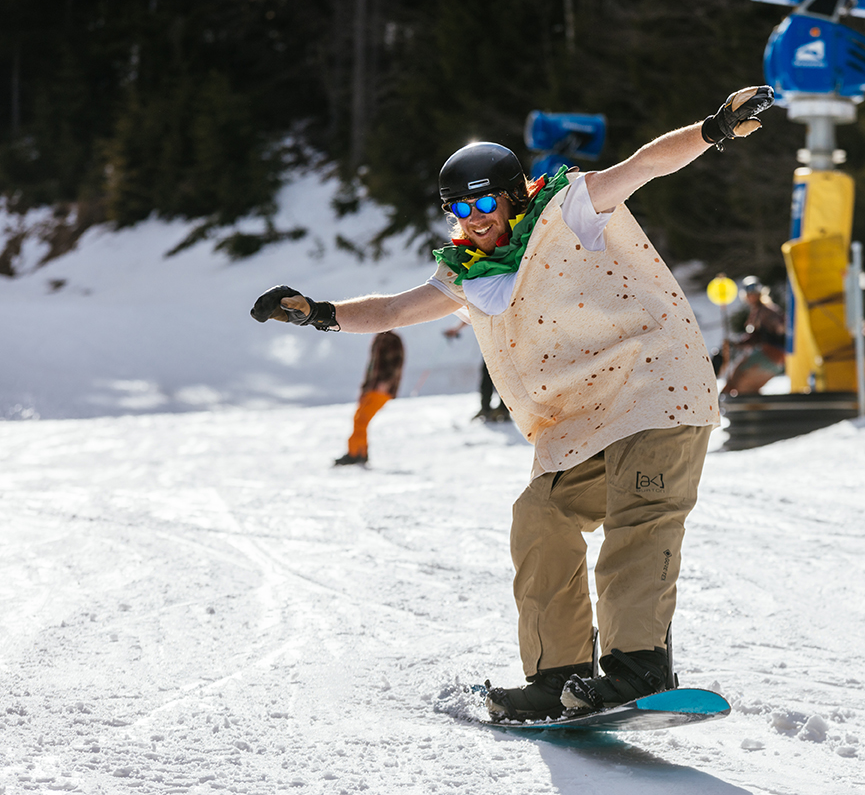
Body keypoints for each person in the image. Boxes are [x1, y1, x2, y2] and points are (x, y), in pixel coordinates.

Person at [250, 85, 774, 721]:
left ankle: (639, 667)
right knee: (540, 515)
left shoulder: (570, 209)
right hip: (581, 420)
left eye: (482, 200)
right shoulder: (469, 272)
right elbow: (392, 309)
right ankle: (559, 674)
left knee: (641, 517)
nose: (472, 216)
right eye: (457, 207)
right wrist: (321, 314)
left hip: (651, 387)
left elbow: (645, 165)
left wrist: (713, 128)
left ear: (514, 191)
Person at [334, 330, 405, 466]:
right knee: (358, 418)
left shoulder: (392, 339)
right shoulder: (379, 338)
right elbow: (372, 366)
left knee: (362, 420)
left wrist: (386, 382)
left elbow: (397, 362)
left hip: (381, 388)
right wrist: (365, 388)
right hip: (372, 387)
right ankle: (358, 452)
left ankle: (356, 454)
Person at [721, 276, 787, 397]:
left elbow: (776, 330)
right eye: (749, 294)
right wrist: (736, 344)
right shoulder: (760, 311)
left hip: (771, 353)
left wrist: (736, 344)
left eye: (753, 293)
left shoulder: (766, 311)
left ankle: (721, 402)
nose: (751, 297)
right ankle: (752, 408)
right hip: (778, 358)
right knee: (748, 387)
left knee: (736, 375)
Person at [443, 319, 509, 422]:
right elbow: (472, 315)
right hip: (492, 345)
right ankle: (486, 408)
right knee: (487, 377)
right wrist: (456, 328)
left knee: (505, 377)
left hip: (506, 344)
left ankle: (503, 409)